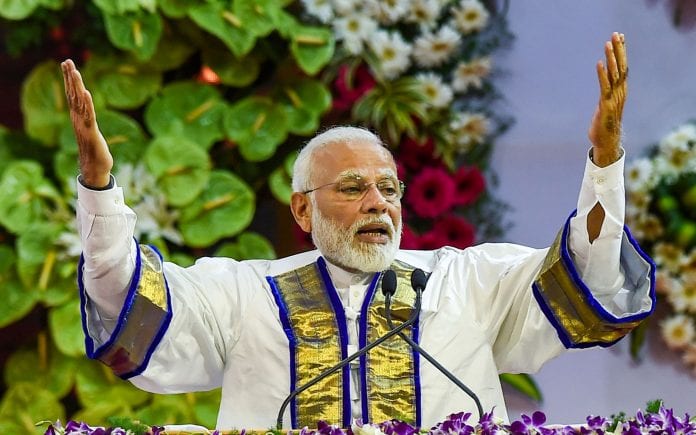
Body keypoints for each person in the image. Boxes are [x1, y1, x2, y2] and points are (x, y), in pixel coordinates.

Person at [61, 32, 654, 430]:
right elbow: (128, 303)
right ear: (302, 211)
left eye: (389, 189)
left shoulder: (464, 283)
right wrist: (98, 187)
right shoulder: (244, 295)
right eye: (351, 188)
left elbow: (584, 276)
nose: (378, 204)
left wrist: (604, 164)